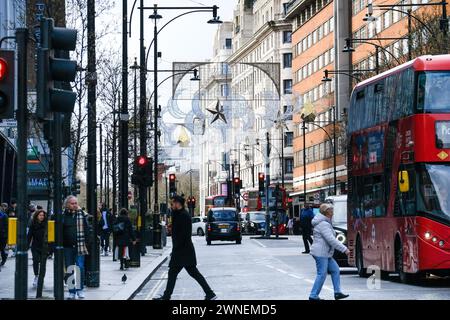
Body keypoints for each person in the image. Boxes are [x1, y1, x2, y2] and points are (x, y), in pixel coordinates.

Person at [154, 195, 216, 300]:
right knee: (187, 273)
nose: (171, 205)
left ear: (178, 203)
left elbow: (184, 234)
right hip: (183, 250)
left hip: (183, 250)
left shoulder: (183, 215)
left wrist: (176, 248)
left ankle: (167, 296)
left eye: (172, 203)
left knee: (180, 273)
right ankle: (209, 293)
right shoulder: (178, 214)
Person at [309, 203, 350, 301]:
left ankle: (337, 292)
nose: (332, 213)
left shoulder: (325, 222)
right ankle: (313, 295)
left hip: (325, 253)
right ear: (326, 212)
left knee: (335, 270)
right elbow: (331, 239)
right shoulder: (323, 224)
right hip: (321, 253)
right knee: (322, 274)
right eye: (331, 211)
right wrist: (344, 249)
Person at [62, 196, 90, 300]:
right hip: (67, 247)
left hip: (80, 246)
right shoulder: (63, 216)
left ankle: (80, 289)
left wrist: (87, 243)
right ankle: (71, 291)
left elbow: (87, 229)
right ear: (67, 204)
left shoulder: (82, 214)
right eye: (72, 203)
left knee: (80, 268)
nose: (75, 205)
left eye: (76, 203)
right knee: (69, 269)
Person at [27, 209, 47, 287]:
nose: (42, 217)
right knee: (35, 261)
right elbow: (29, 236)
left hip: (44, 247)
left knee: (43, 264)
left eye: (43, 215)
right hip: (35, 246)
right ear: (37, 216)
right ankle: (36, 276)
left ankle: (41, 278)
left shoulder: (46, 224)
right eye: (40, 215)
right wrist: (26, 246)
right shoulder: (33, 224)